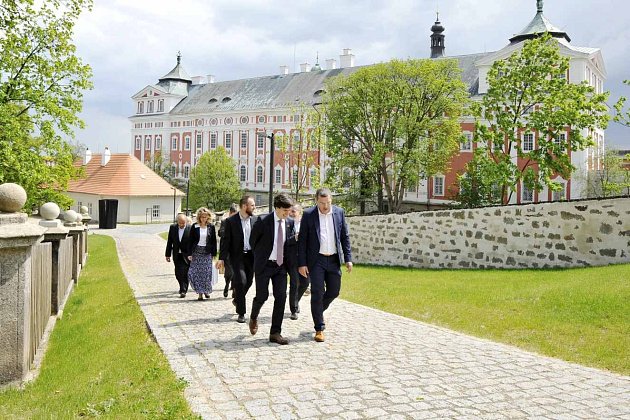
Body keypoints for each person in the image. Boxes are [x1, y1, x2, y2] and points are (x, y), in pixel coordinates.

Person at [298, 188, 352, 342]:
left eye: (328, 202)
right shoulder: (309, 215)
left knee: (334, 291)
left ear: (331, 201)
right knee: (317, 292)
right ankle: (319, 328)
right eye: (322, 203)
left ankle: (318, 311)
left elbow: (344, 237)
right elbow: (302, 241)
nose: (325, 206)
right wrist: (302, 263)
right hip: (316, 261)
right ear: (316, 201)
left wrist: (348, 258)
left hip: (334, 259)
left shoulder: (339, 213)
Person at [248, 193, 295, 345]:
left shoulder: (290, 223)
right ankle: (254, 316)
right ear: (277, 208)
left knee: (281, 297)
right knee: (262, 296)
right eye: (285, 211)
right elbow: (252, 242)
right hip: (264, 265)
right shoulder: (262, 221)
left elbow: (288, 245)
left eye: (289, 211)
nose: (288, 214)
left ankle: (275, 333)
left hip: (281, 267)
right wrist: (261, 257)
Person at [216, 196, 258, 323]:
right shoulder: (231, 221)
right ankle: (241, 312)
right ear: (245, 206)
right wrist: (221, 258)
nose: (255, 207)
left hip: (251, 256)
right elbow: (226, 241)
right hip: (237, 257)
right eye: (253, 205)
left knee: (249, 281)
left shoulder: (256, 220)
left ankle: (237, 299)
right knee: (241, 281)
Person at [186, 207, 217, 301]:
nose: (204, 218)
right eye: (202, 217)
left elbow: (213, 241)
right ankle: (200, 293)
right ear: (199, 217)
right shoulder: (194, 226)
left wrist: (214, 253)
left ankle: (206, 291)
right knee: (195, 273)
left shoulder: (211, 227)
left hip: (207, 252)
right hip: (197, 252)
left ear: (208, 217)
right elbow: (190, 241)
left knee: (207, 273)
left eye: (205, 217)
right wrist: (189, 253)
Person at [287, 203, 309, 320]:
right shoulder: (287, 224)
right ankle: (293, 309)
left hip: (304, 259)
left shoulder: (306, 224)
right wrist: (295, 238)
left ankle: (296, 300)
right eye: (290, 211)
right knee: (294, 283)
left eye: (293, 211)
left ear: (299, 213)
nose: (291, 213)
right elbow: (284, 240)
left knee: (305, 283)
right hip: (292, 259)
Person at [165, 213, 191, 298]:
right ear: (177, 222)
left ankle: (183, 290)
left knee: (185, 273)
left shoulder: (190, 228)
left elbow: (193, 243)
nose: (182, 225)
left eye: (183, 223)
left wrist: (192, 254)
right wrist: (167, 254)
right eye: (180, 223)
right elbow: (169, 241)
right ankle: (181, 286)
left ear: (186, 222)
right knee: (177, 273)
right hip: (176, 254)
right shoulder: (173, 228)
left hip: (187, 255)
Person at [218, 203, 238, 298]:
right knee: (229, 271)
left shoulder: (239, 222)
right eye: (233, 213)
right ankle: (227, 285)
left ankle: (234, 288)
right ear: (230, 213)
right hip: (226, 251)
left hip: (236, 251)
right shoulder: (224, 222)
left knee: (235, 271)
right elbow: (220, 233)